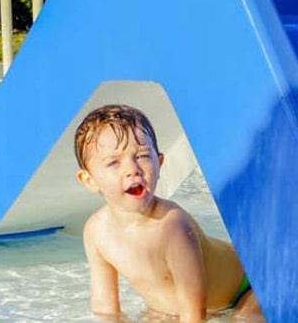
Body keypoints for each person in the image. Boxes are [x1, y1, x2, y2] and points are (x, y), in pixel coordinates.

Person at [74, 104, 264, 323]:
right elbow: (105, 310)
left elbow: (194, 314)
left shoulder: (172, 226)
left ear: (160, 162)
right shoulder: (96, 231)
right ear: (89, 180)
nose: (132, 169)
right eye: (113, 162)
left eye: (143, 156)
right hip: (170, 309)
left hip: (246, 290)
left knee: (245, 320)